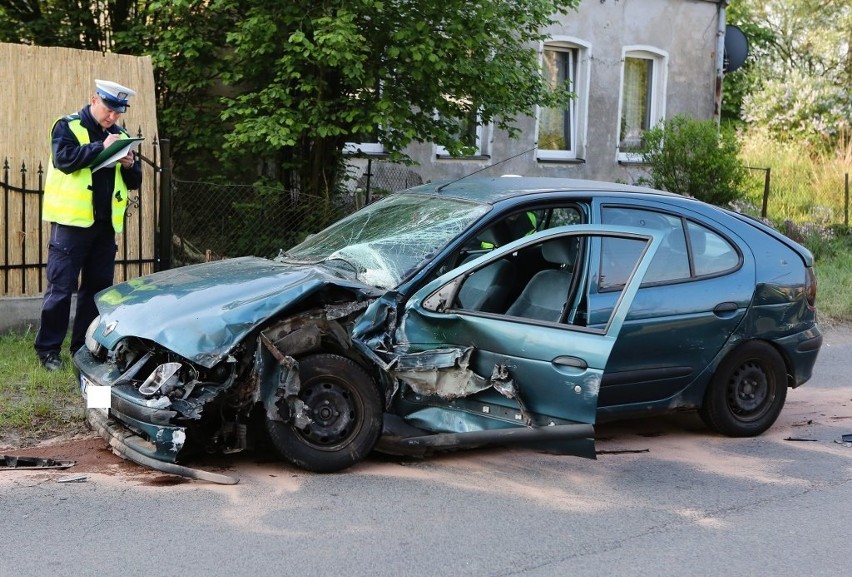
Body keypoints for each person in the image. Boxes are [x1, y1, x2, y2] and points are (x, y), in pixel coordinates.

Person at [34, 79, 143, 371]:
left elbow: (136, 182)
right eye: (109, 109)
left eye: (118, 112)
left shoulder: (121, 134)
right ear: (94, 100)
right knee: (60, 289)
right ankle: (48, 351)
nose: (113, 117)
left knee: (96, 290)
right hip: (71, 225)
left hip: (105, 227)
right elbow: (64, 160)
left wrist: (130, 164)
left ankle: (81, 348)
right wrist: (100, 147)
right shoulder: (67, 127)